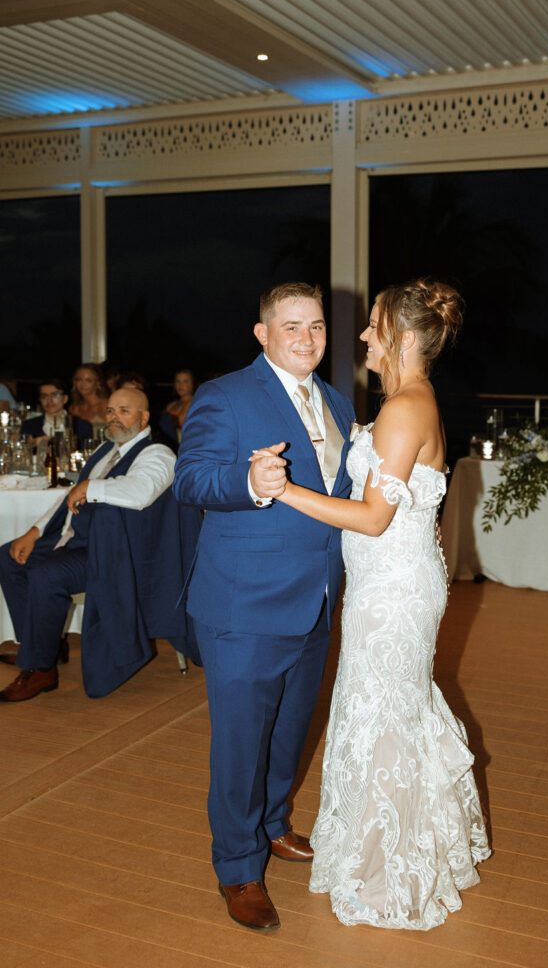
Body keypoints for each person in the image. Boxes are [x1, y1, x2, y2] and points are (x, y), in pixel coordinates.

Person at [252, 279, 491, 930]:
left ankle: (390, 874)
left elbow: (372, 517)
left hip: (391, 590)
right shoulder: (409, 401)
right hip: (392, 584)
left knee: (381, 718)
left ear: (403, 339)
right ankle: (394, 851)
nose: (360, 335)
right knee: (385, 713)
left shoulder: (403, 407)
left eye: (373, 324)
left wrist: (283, 491)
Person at [172, 282, 355, 933]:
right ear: (262, 333)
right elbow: (190, 477)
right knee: (241, 744)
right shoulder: (225, 394)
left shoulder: (336, 400)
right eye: (291, 327)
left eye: (316, 327)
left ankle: (273, 823)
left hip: (316, 600)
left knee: (288, 732)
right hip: (243, 605)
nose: (305, 339)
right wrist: (247, 483)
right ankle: (238, 867)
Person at [0, 388, 200, 701]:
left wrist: (90, 486)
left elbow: (141, 491)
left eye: (124, 410)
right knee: (8, 558)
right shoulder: (107, 450)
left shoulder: (158, 454)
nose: (114, 418)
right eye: (110, 411)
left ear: (144, 417)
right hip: (75, 537)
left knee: (46, 575)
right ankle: (43, 647)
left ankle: (41, 669)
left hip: (112, 553)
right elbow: (68, 498)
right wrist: (35, 531)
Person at [21, 378, 92, 447]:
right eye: (44, 396)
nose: (49, 400)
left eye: (55, 395)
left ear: (65, 399)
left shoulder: (82, 426)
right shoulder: (29, 426)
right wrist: (32, 445)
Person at [160, 368, 195, 447]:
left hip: (181, 447)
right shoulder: (171, 405)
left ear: (192, 384)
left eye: (185, 381)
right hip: (164, 446)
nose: (180, 385)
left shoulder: (194, 402)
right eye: (178, 381)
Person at [69, 363, 108, 429]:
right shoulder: (74, 408)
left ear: (98, 383)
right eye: (79, 380)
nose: (83, 384)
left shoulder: (107, 405)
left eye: (88, 380)